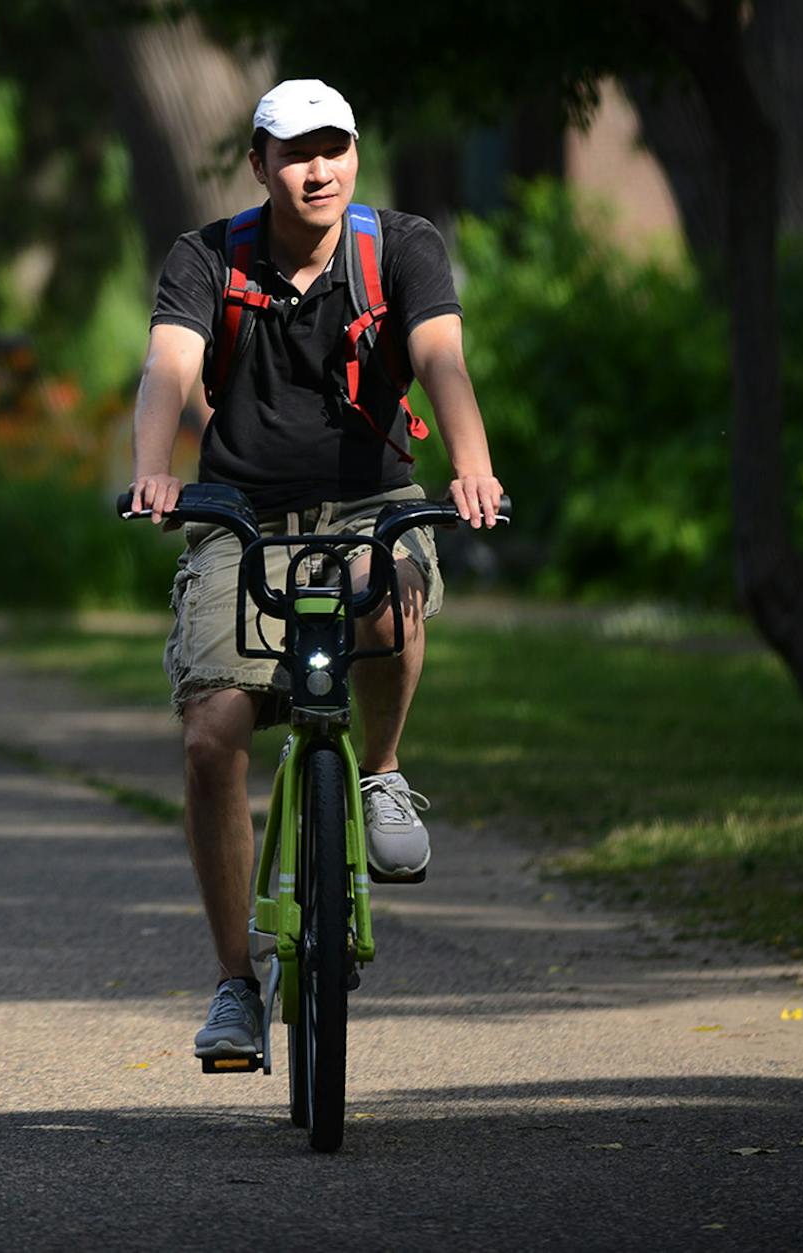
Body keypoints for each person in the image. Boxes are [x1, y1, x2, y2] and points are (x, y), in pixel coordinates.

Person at [124, 79, 505, 1062]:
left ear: (356, 154)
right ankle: (234, 987)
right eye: (296, 152)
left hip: (372, 505)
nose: (318, 168)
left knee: (391, 603)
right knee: (212, 736)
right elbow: (169, 365)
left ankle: (377, 771)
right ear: (259, 164)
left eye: (334, 146)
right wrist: (153, 470)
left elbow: (440, 358)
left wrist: (471, 463)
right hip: (241, 517)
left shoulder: (401, 248)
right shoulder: (207, 258)